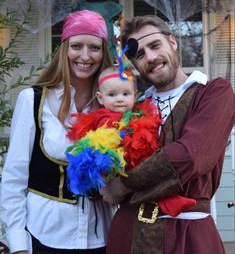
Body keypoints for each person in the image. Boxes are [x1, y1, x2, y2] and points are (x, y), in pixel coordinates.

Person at [100, 15, 235, 254]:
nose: (150, 57)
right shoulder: (133, 110)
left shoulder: (213, 93)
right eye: (139, 55)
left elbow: (192, 156)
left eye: (155, 45)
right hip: (128, 235)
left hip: (188, 238)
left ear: (172, 42)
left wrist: (124, 185)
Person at [0, 10, 114, 254]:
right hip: (45, 237)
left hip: (102, 239)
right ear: (64, 49)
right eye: (76, 46)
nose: (85, 56)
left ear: (103, 52)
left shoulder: (113, 106)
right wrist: (19, 249)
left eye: (94, 47)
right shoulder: (33, 100)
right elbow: (13, 179)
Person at [66, 64, 196, 219]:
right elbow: (106, 142)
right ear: (100, 98)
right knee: (146, 181)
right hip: (118, 163)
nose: (120, 99)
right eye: (112, 95)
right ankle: (171, 202)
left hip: (135, 162)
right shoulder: (105, 118)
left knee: (151, 175)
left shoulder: (136, 114)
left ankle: (170, 201)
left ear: (135, 95)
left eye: (125, 94)